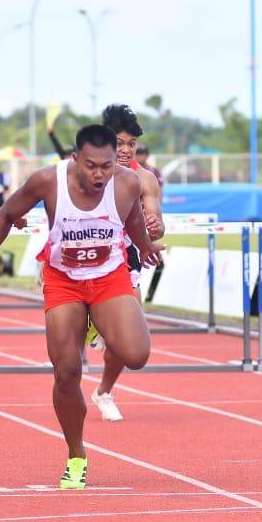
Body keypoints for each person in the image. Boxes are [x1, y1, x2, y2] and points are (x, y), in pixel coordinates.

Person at [0, 124, 164, 489]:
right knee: (67, 372)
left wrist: (146, 245)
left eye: (106, 166)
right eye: (91, 166)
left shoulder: (127, 183)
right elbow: (6, 214)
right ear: (75, 159)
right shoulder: (48, 181)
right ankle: (76, 454)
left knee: (136, 355)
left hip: (108, 276)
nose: (99, 175)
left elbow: (133, 220)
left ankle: (95, 320)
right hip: (64, 280)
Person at [87, 103, 165, 422]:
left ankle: (104, 391)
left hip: (125, 262)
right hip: (84, 260)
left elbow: (156, 222)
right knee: (68, 343)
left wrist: (156, 227)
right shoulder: (87, 172)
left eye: (131, 144)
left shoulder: (145, 179)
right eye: (119, 142)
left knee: (126, 338)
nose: (125, 149)